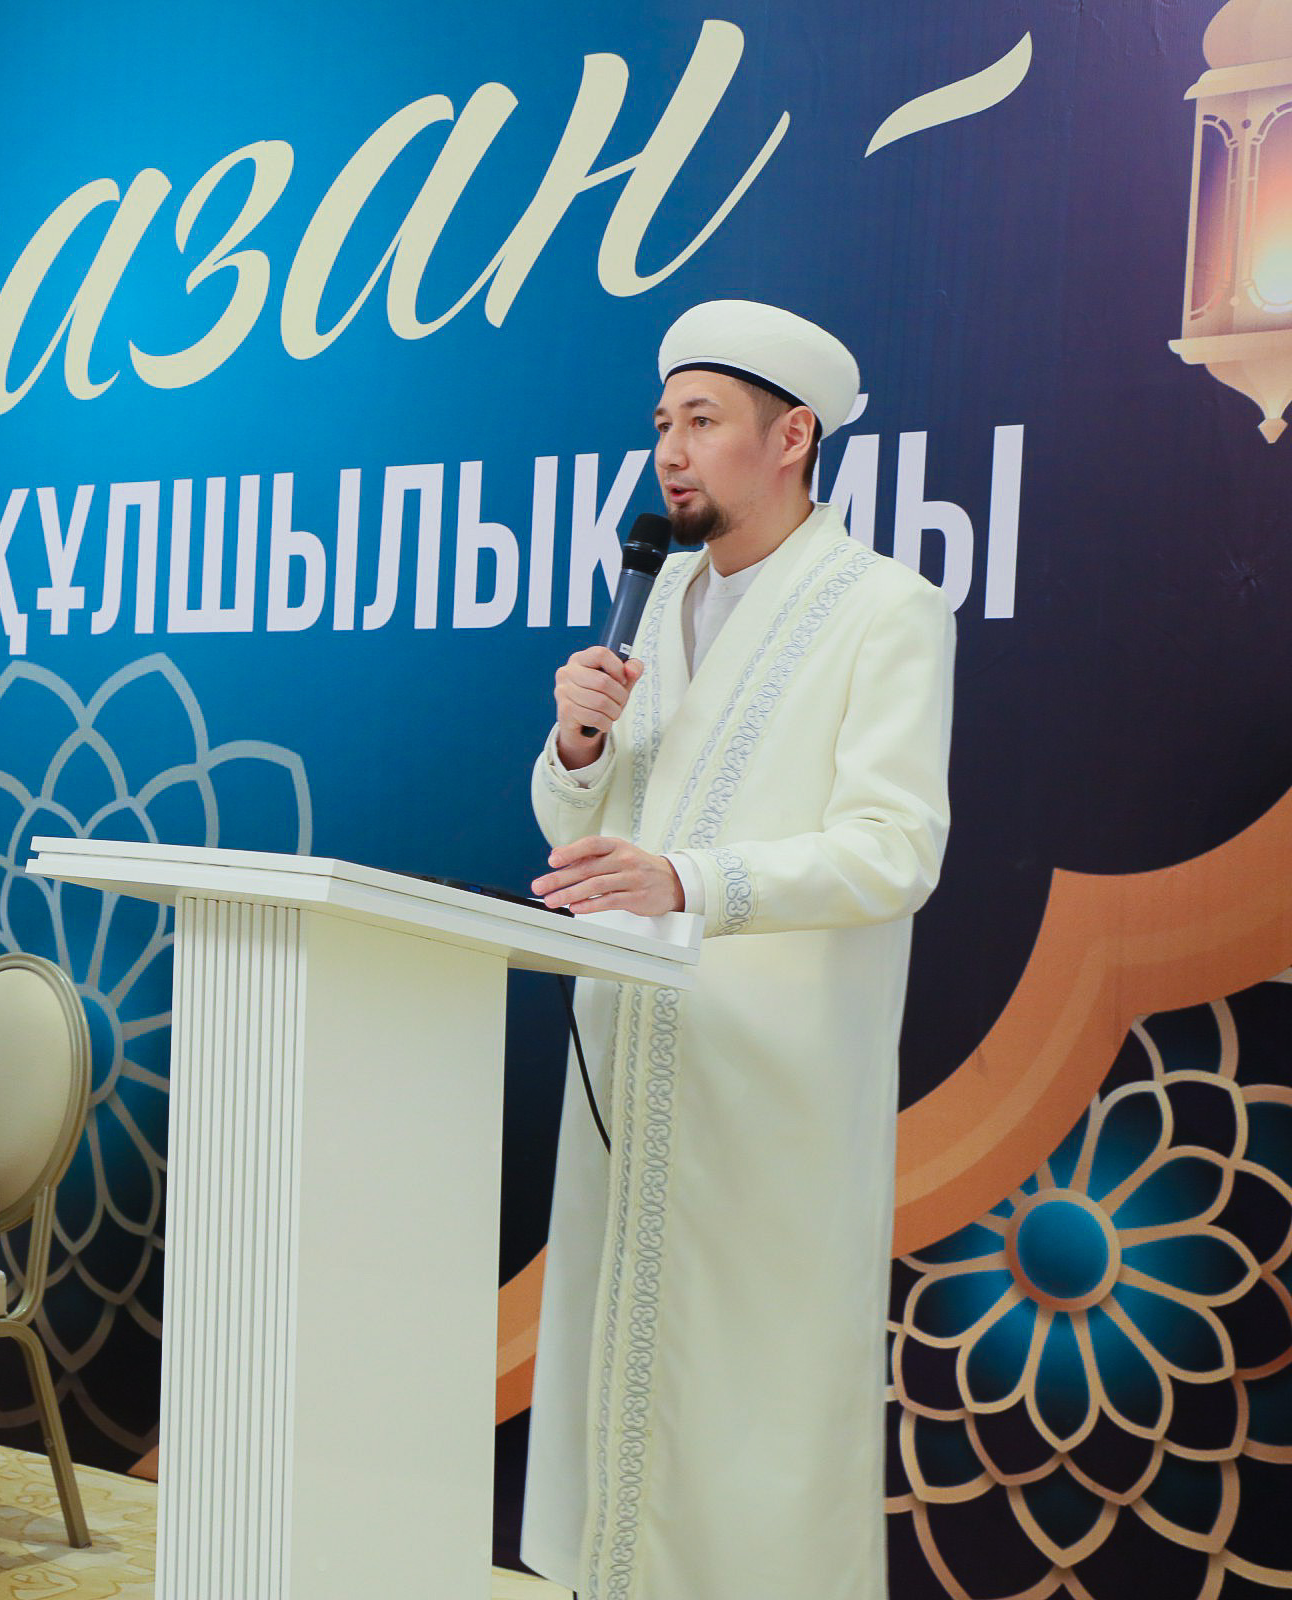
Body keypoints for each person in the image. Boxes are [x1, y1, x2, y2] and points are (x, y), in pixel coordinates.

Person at [519, 301, 957, 1600]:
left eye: (702, 421)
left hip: (773, 1091)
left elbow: (896, 849)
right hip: (635, 1062)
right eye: (663, 422)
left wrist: (692, 883)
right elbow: (584, 833)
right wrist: (577, 745)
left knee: (758, 1420)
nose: (670, 450)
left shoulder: (885, 608)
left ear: (794, 435)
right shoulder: (656, 604)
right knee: (617, 1375)